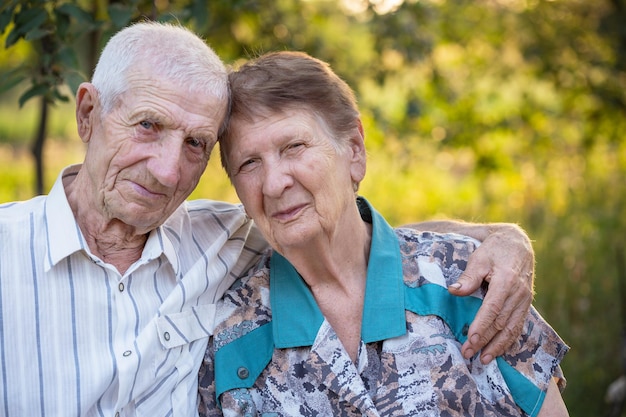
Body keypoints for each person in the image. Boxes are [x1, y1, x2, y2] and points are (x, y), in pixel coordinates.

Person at [0, 22, 531, 416]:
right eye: (147, 125)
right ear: (88, 114)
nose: (166, 171)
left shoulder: (221, 238)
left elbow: (347, 228)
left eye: (194, 144)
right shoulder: (7, 252)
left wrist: (500, 237)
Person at [198, 51, 569, 416]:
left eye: (293, 147)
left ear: (355, 150)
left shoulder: (469, 279)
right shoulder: (227, 340)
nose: (274, 184)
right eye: (249, 163)